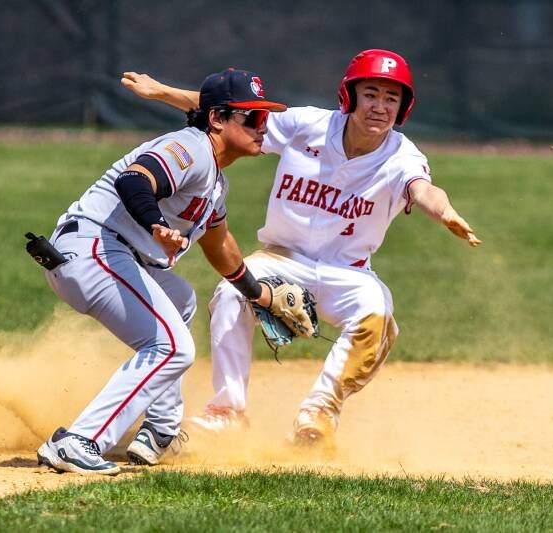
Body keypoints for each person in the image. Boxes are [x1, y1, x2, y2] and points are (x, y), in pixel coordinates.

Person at [121, 49, 482, 446]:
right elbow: (228, 109)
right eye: (372, 94)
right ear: (350, 96)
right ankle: (227, 411)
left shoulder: (402, 155)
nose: (380, 106)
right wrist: (161, 92)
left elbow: (423, 189)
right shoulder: (308, 125)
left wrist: (445, 212)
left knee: (377, 312)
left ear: (403, 108)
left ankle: (318, 415)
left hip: (348, 272)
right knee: (230, 294)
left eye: (391, 98)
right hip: (281, 259)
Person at [32, 68, 309, 475]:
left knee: (180, 300)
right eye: (251, 117)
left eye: (265, 117)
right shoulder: (190, 147)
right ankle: (80, 441)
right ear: (216, 118)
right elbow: (135, 180)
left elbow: (221, 246)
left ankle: (158, 432)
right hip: (95, 248)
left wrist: (258, 293)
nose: (262, 126)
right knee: (173, 347)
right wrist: (153, 225)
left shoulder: (216, 183)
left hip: (104, 256)